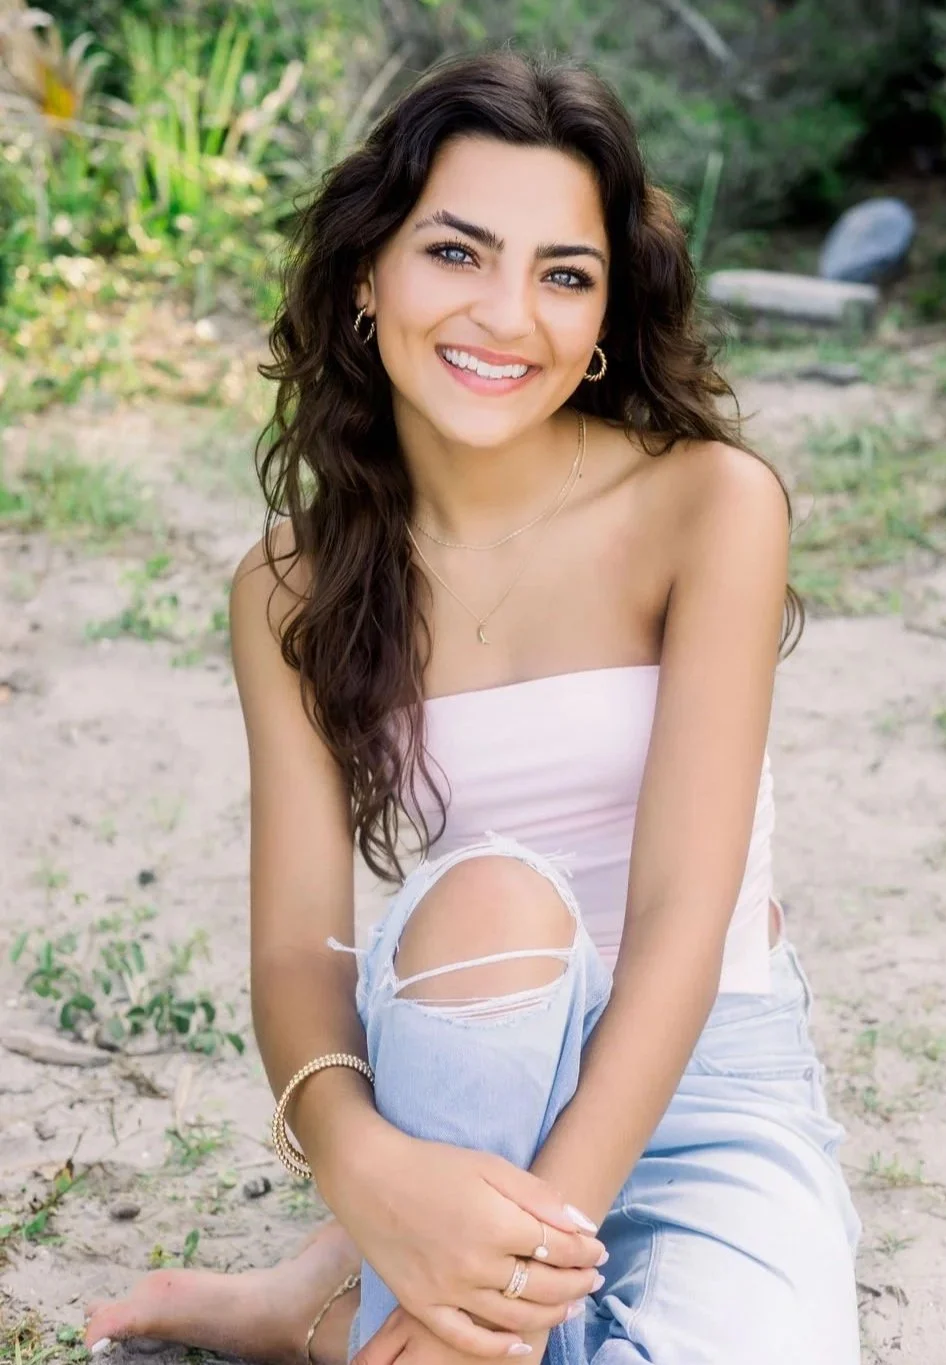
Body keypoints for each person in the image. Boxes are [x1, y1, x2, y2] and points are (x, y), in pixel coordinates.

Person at [84, 48, 862, 1365]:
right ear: (367, 274)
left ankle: (339, 1308)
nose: (509, 315)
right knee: (496, 897)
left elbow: (681, 922)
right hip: (472, 1056)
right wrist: (363, 1165)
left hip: (709, 1071)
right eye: (457, 253)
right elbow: (297, 957)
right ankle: (360, 1265)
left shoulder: (708, 505)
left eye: (565, 274)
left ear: (607, 316)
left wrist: (505, 1286)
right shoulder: (289, 589)